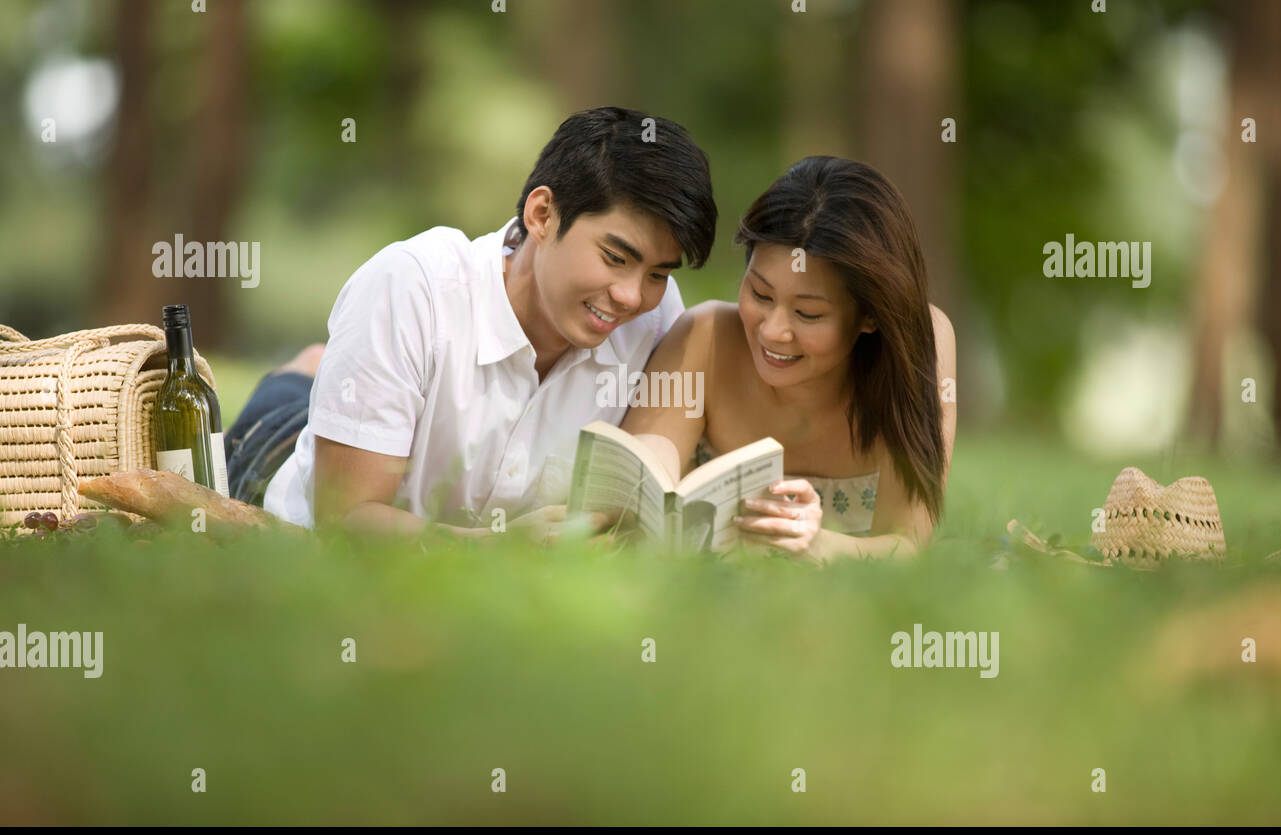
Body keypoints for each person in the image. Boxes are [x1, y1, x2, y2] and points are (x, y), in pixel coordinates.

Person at [225, 106, 718, 542]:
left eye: (657, 273)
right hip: (281, 459)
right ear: (543, 214)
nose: (632, 297)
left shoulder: (655, 318)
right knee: (284, 412)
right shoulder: (411, 287)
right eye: (615, 257)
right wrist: (497, 550)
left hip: (386, 411)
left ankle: (320, 370)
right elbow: (345, 518)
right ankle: (302, 374)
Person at [621, 156, 956, 561]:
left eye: (808, 313)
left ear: (870, 315)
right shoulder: (705, 337)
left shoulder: (922, 347)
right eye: (760, 294)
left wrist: (816, 545)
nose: (772, 331)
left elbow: (908, 545)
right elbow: (635, 492)